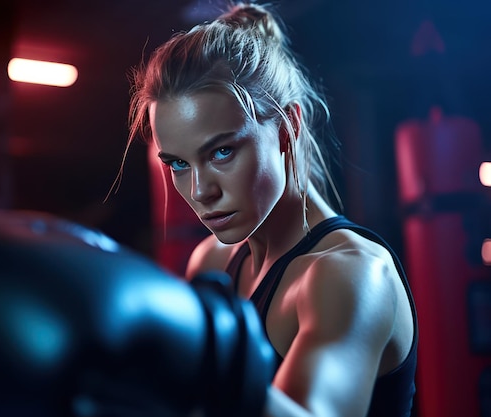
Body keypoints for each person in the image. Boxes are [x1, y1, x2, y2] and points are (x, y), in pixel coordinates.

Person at [120, 2, 418, 417]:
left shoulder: (352, 273)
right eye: (179, 164)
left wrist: (206, 361)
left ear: (287, 127)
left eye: (222, 151)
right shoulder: (212, 262)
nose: (201, 191)